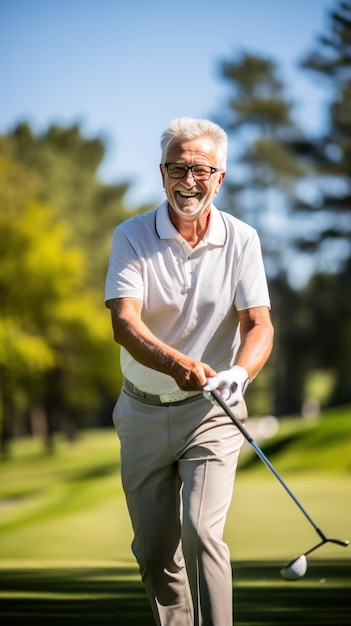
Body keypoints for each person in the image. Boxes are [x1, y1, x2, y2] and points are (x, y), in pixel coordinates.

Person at [105, 117, 274, 626]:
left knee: (202, 534)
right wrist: (176, 363)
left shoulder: (243, 239)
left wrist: (239, 374)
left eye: (201, 169)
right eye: (178, 168)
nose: (189, 180)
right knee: (155, 555)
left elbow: (259, 324)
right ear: (162, 174)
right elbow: (124, 321)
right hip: (143, 409)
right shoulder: (132, 236)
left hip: (214, 411)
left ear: (220, 178)